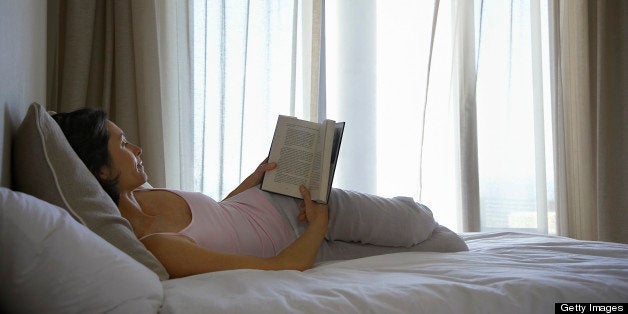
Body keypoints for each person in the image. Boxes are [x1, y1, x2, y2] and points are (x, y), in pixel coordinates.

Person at [52, 108, 467, 278]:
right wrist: (316, 229)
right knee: (445, 249)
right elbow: (274, 269)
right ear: (101, 170)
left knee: (417, 220)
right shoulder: (157, 246)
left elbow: (218, 215)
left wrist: (253, 180)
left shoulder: (148, 195)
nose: (137, 149)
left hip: (287, 200)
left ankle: (409, 213)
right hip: (306, 244)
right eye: (123, 145)